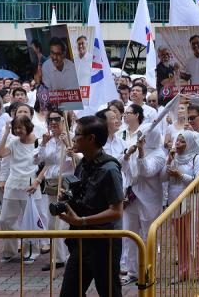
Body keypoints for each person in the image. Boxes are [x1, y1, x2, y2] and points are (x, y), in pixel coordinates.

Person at [58, 116, 125, 297]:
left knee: (109, 291)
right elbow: (80, 194)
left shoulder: (109, 168)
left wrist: (82, 221)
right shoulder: (82, 164)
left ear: (91, 138)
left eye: (77, 135)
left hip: (104, 242)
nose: (73, 139)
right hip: (81, 240)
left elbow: (116, 211)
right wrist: (67, 199)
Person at [120, 119, 166, 286]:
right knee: (129, 235)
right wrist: (127, 155)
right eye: (139, 135)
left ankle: (149, 270)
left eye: (144, 136)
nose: (141, 138)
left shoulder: (160, 154)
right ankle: (132, 271)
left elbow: (147, 171)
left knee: (149, 236)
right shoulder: (133, 148)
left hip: (149, 200)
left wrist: (140, 153)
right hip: (131, 198)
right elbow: (124, 168)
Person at [0, 114, 42, 265]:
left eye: (20, 127)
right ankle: (10, 250)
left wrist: (37, 181)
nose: (18, 131)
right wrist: (6, 132)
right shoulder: (13, 142)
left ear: (28, 126)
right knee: (5, 219)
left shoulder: (38, 141)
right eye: (15, 128)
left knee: (30, 220)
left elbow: (46, 162)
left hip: (30, 185)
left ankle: (31, 251)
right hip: (13, 184)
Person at [164, 130, 199, 282]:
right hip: (175, 201)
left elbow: (198, 180)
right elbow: (163, 177)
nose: (178, 143)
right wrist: (168, 161)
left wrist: (180, 175)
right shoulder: (173, 157)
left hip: (191, 201)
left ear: (189, 143)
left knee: (195, 237)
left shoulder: (197, 158)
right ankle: (183, 270)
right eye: (177, 140)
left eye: (182, 141)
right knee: (180, 238)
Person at [38, 111, 74, 271]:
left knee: (64, 224)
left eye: (56, 119)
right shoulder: (48, 139)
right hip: (51, 184)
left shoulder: (72, 137)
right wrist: (43, 144)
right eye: (50, 119)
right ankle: (58, 258)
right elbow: (40, 160)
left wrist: (68, 144)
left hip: (66, 185)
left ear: (64, 120)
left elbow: (79, 160)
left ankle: (69, 258)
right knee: (52, 222)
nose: (53, 122)